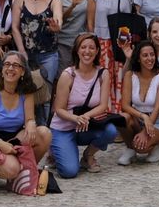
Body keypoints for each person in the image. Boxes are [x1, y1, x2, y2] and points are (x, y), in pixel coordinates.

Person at [0, 51, 52, 188]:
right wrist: (0, 144)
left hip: (13, 137)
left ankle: (24, 172)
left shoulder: (26, 91)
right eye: (7, 64)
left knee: (44, 134)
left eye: (16, 65)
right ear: (2, 70)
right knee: (12, 169)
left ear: (22, 71)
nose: (10, 68)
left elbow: (29, 119)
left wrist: (31, 123)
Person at [48, 32, 120, 176]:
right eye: (83, 47)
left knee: (111, 131)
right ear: (77, 50)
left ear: (97, 51)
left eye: (92, 48)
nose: (87, 51)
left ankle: (88, 155)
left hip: (86, 126)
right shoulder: (68, 75)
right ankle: (55, 149)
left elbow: (103, 105)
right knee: (69, 172)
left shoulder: (103, 74)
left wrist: (85, 116)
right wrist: (75, 118)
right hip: (64, 128)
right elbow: (58, 109)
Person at [111, 39, 159, 165]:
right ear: (138, 58)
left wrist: (145, 132)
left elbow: (158, 107)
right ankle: (130, 148)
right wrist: (143, 116)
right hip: (138, 118)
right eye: (145, 55)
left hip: (158, 121)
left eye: (152, 54)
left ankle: (157, 145)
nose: (150, 58)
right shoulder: (130, 75)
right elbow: (125, 105)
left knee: (141, 148)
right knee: (121, 118)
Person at [55, 0, 91, 72]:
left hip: (81, 45)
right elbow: (58, 21)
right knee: (65, 76)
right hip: (63, 45)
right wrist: (72, 6)